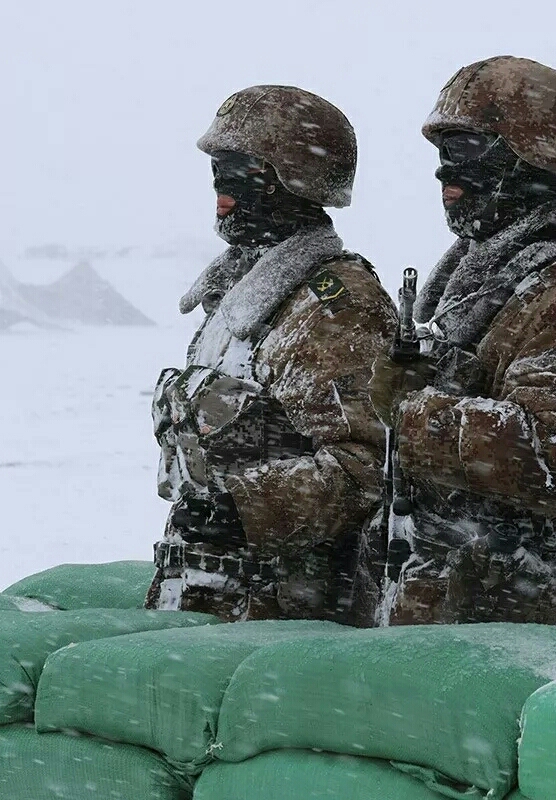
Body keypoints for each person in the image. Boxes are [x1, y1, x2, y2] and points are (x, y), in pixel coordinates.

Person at [366, 56, 556, 637]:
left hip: (521, 624)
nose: (445, 174)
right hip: (447, 615)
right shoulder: (468, 293)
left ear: (528, 161)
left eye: (465, 150)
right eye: (442, 153)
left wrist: (415, 411)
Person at [145, 85, 397, 623]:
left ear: (294, 182)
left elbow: (369, 468)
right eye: (218, 164)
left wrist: (241, 509)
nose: (220, 181)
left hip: (281, 616)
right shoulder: (238, 300)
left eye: (241, 167)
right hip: (205, 595)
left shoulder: (335, 307)